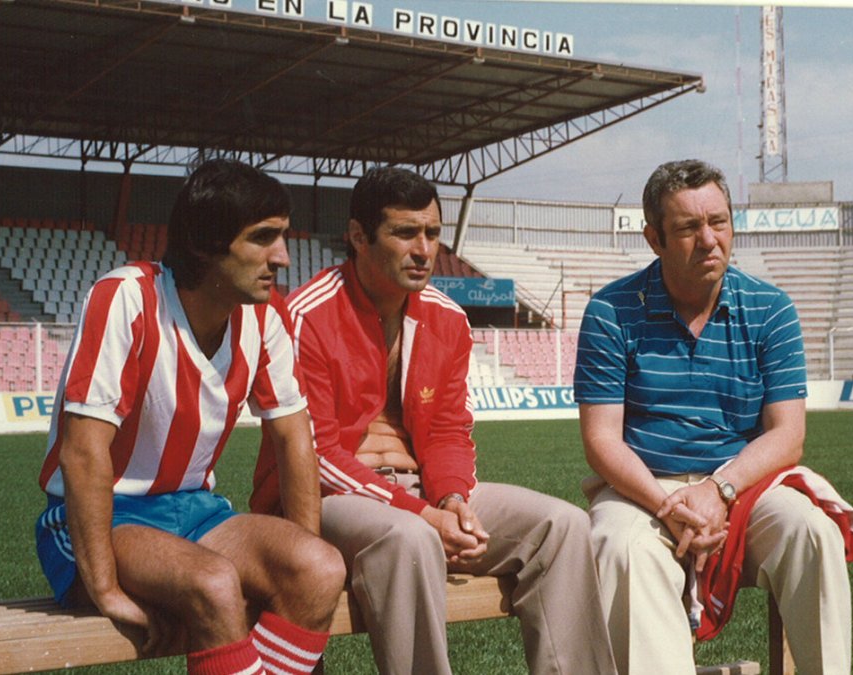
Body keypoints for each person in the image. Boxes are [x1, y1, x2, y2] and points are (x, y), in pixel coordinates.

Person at [251, 166, 616, 675]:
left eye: (433, 233)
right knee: (410, 538)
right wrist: (422, 514)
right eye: (405, 233)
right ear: (358, 236)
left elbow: (447, 430)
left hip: (422, 496)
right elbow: (313, 454)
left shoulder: (447, 317)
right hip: (327, 504)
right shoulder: (307, 314)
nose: (424, 250)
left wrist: (452, 500)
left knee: (564, 526)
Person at [34, 159, 346, 675]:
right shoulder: (128, 298)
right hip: (104, 517)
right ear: (205, 243)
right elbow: (82, 449)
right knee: (215, 584)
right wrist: (105, 587)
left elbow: (294, 439)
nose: (283, 257)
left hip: (196, 512)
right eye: (263, 238)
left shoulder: (265, 316)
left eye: (283, 237)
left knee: (319, 566)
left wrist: (300, 547)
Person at [574, 159, 853, 675]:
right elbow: (601, 442)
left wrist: (719, 491)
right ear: (654, 238)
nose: (709, 240)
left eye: (719, 222)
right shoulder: (610, 311)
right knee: (618, 547)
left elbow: (788, 435)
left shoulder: (770, 308)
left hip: (742, 485)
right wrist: (668, 504)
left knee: (813, 532)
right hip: (644, 488)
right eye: (688, 227)